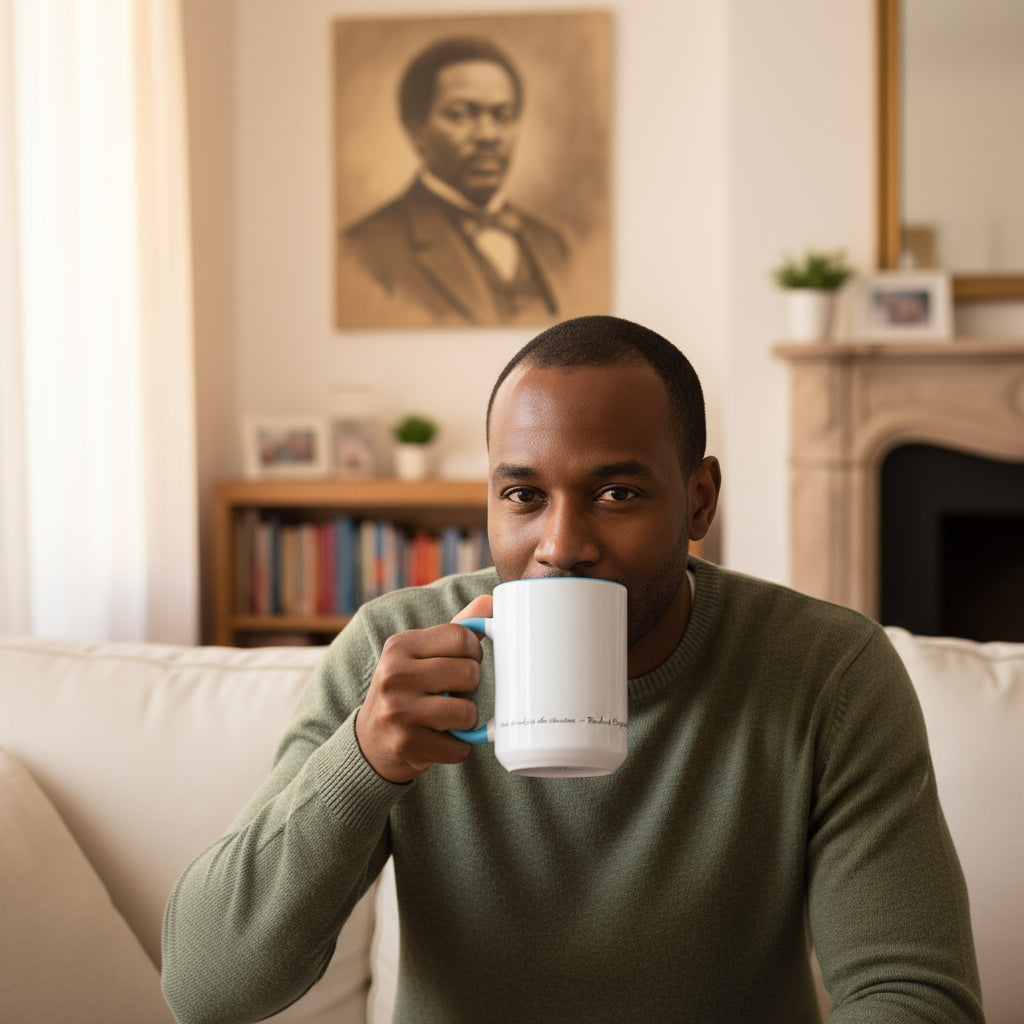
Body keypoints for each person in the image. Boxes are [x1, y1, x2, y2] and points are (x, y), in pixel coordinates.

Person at [162, 315, 984, 1023]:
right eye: (523, 496)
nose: (560, 546)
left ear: (699, 499)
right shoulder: (398, 653)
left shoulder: (827, 671)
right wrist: (365, 760)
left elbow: (913, 994)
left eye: (616, 493)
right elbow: (207, 988)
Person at [336, 36, 572, 328]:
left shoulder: (557, 245)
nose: (488, 135)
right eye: (460, 115)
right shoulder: (360, 253)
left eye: (503, 116)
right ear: (416, 130)